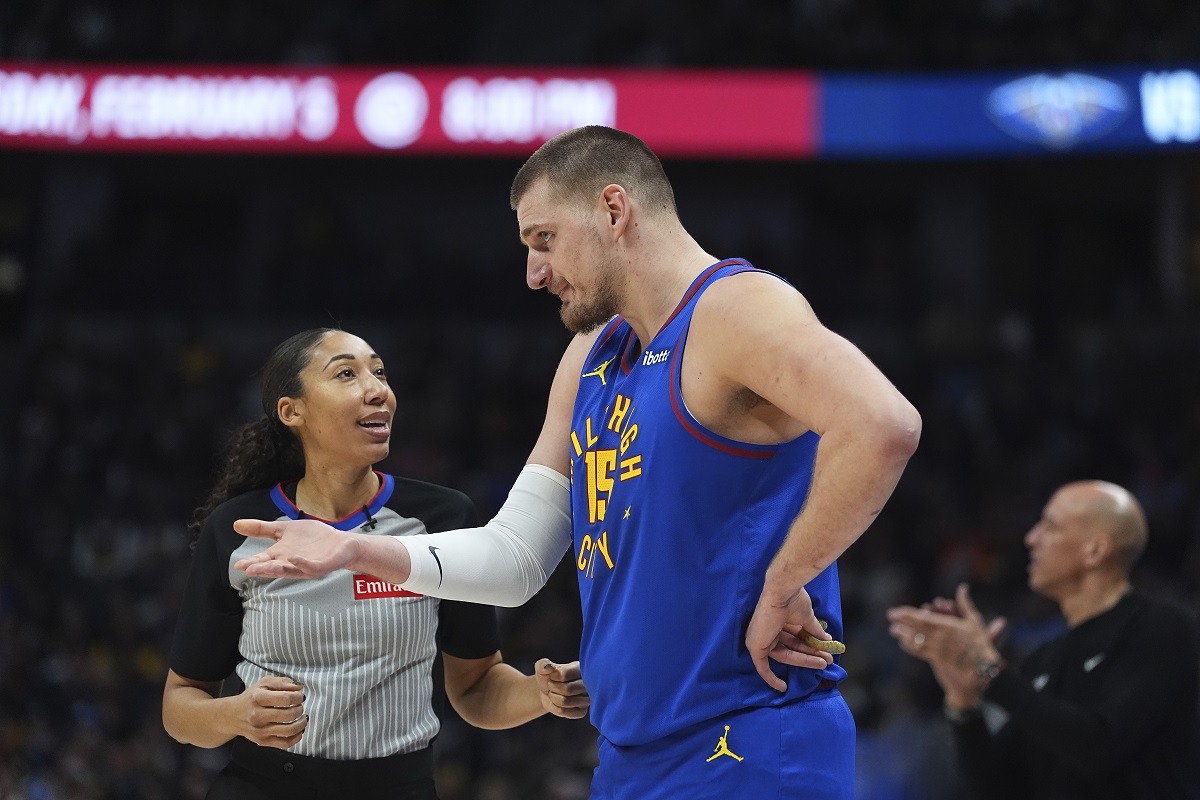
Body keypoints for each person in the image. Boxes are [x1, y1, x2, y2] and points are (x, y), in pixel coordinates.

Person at [232, 126, 922, 798]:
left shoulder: (735, 310)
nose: (534, 274)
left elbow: (882, 424)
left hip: (749, 738)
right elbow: (516, 558)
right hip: (628, 754)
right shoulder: (592, 354)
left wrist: (785, 579)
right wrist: (354, 550)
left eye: (544, 240)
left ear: (613, 210)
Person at [162, 328, 589, 800]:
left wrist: (540, 694)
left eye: (380, 372)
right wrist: (234, 715)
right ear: (292, 411)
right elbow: (179, 706)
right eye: (346, 373)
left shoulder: (443, 518)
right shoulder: (238, 529)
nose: (377, 389)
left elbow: (477, 687)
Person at [886, 480, 1200, 800]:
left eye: (1050, 526)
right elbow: (999, 789)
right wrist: (964, 703)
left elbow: (1098, 746)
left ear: (1096, 550)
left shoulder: (1162, 628)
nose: (1031, 538)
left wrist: (990, 670)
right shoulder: (1045, 659)